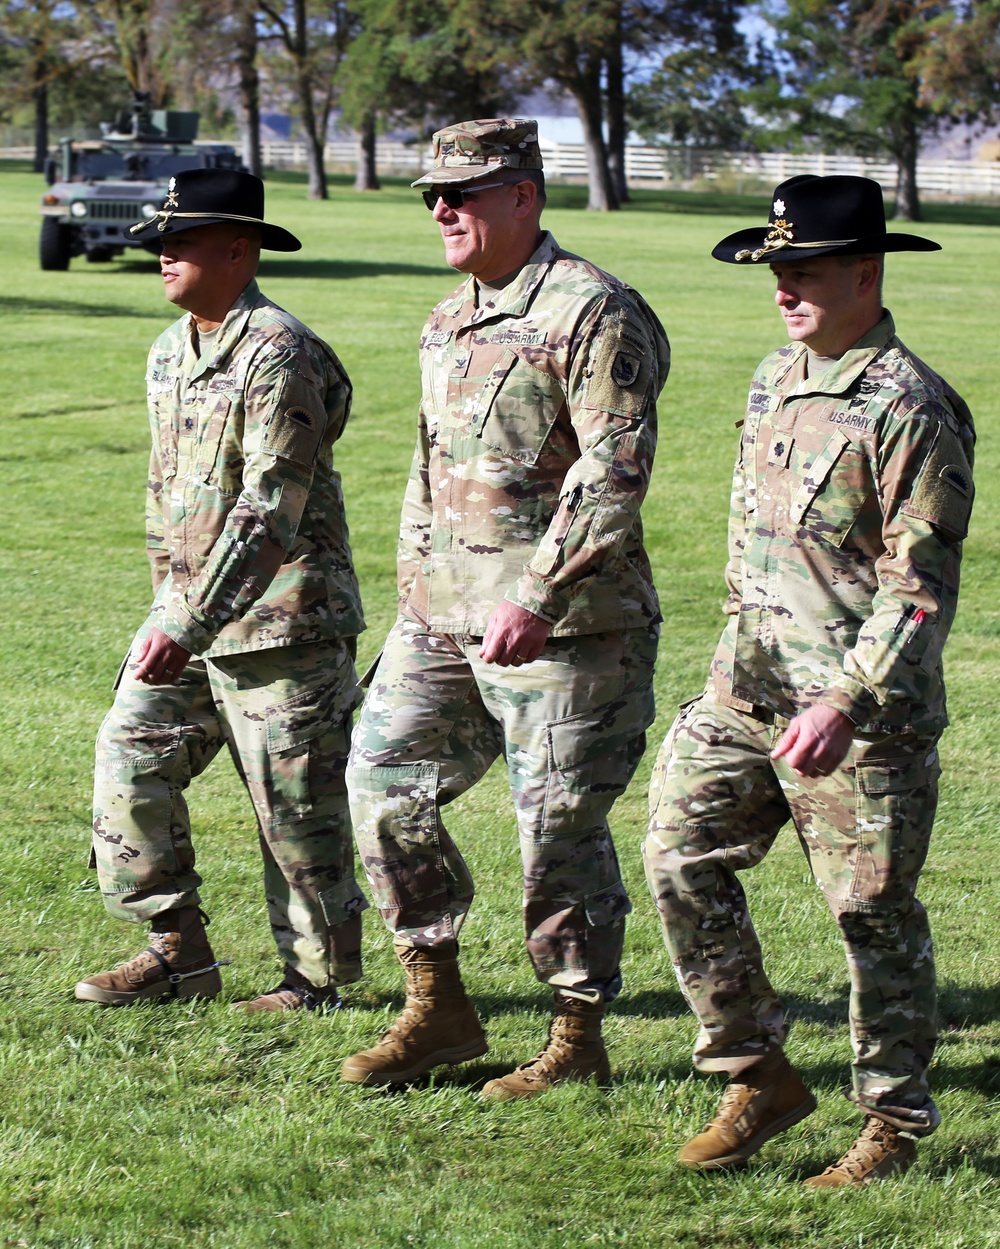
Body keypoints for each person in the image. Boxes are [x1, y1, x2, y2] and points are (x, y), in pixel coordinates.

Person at [643, 175, 975, 1185]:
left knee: (870, 918)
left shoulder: (913, 408)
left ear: (865, 272)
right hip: (744, 695)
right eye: (775, 270)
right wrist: (725, 681)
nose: (783, 287)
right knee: (674, 857)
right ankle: (756, 1072)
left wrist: (844, 700)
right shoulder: (772, 376)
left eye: (805, 270)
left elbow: (915, 591)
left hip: (859, 718)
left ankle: (892, 1124)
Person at [339, 118, 670, 1096]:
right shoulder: (447, 318)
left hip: (567, 631)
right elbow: (429, 469)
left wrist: (535, 592)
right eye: (430, 196)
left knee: (555, 831)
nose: (442, 209)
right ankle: (437, 1004)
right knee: (378, 786)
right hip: (440, 619)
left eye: (464, 192)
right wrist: (414, 593)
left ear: (523, 196)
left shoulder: (593, 311)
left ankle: (576, 1038)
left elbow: (615, 473)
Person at [75, 169, 368, 1012]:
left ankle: (314, 984)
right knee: (129, 755)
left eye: (180, 241)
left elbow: (269, 504)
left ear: (238, 250)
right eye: (159, 242)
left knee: (294, 814)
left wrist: (191, 616)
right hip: (187, 621)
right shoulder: (170, 352)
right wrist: (172, 608)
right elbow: (171, 496)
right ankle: (178, 949)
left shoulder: (281, 351)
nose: (162, 255)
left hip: (285, 624)